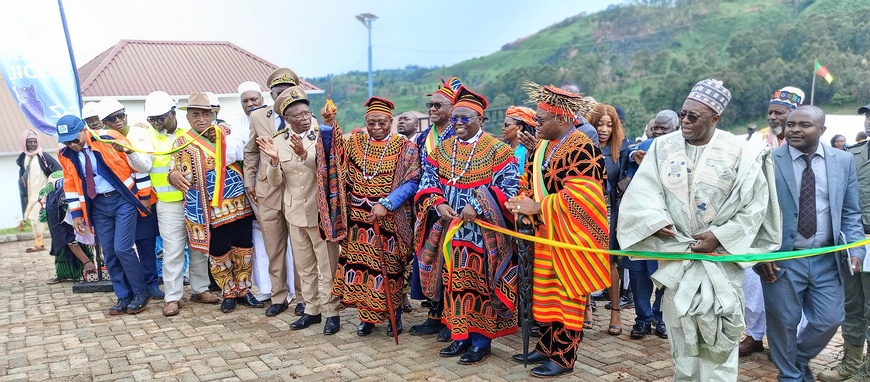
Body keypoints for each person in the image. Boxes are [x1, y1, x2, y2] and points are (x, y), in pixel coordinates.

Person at [617, 78, 782, 381]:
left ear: (715, 118)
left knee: (719, 336)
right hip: (679, 258)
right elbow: (644, 191)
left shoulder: (740, 152)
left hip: (720, 260)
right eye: (683, 114)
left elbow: (755, 207)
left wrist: (719, 236)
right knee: (681, 336)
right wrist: (657, 220)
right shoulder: (663, 147)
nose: (685, 122)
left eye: (694, 117)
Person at [505, 82, 608, 378]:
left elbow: (585, 196)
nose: (535, 124)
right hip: (545, 235)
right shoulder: (543, 147)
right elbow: (528, 179)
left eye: (540, 120)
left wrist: (538, 207)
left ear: (561, 119)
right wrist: (522, 202)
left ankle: (564, 356)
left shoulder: (582, 146)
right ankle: (546, 346)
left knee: (566, 298)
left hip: (569, 237)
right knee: (545, 295)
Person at [757, 105, 865, 382]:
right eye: (791, 124)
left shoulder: (843, 161)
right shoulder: (768, 160)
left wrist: (856, 249)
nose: (794, 129)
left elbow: (850, 212)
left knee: (829, 319)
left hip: (828, 258)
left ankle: (798, 360)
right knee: (783, 323)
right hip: (781, 259)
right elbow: (754, 213)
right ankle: (790, 376)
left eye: (804, 125)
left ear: (822, 130)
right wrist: (760, 255)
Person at [415, 85, 519, 365]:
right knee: (453, 284)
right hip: (450, 231)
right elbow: (428, 180)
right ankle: (460, 336)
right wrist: (438, 203)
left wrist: (478, 204)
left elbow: (509, 186)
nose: (458, 123)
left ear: (480, 120)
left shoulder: (498, 150)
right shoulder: (443, 149)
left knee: (480, 286)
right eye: (455, 118)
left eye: (465, 118)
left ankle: (481, 342)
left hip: (483, 235)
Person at [319, 96, 420, 336]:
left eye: (382, 123)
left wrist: (387, 202)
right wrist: (329, 125)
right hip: (358, 220)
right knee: (361, 270)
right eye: (371, 123)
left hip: (389, 220)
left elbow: (413, 181)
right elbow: (332, 152)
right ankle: (367, 318)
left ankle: (393, 316)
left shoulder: (406, 147)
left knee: (389, 270)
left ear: (391, 122)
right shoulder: (356, 142)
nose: (376, 127)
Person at [260, 86, 342, 335]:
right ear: (287, 118)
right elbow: (275, 182)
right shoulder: (277, 141)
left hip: (320, 213)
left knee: (328, 266)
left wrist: (304, 154)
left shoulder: (324, 134)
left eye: (306, 113)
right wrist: (274, 161)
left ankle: (332, 312)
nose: (305, 118)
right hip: (294, 212)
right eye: (298, 115)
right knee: (304, 266)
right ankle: (312, 310)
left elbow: (331, 169)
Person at [169, 92, 260, 314]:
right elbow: (173, 171)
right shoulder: (181, 143)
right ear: (187, 117)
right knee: (219, 250)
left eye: (206, 114)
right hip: (210, 208)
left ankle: (244, 289)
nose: (201, 119)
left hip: (239, 202)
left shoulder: (227, 132)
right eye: (196, 115)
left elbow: (244, 154)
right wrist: (171, 175)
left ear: (213, 115)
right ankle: (228, 291)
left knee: (244, 245)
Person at [55, 115, 154, 315]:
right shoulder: (64, 154)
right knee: (108, 252)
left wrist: (145, 197)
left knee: (122, 248)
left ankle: (141, 292)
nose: (72, 144)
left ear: (84, 130)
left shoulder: (109, 138)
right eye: (67, 141)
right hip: (98, 205)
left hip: (123, 199)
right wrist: (76, 214)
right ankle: (123, 295)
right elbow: (70, 184)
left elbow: (137, 167)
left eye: (75, 139)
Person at [142, 91, 220, 316]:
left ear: (174, 114)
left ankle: (200, 289)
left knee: (199, 247)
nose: (156, 122)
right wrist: (171, 174)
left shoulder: (192, 132)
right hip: (169, 203)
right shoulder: (146, 135)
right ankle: (173, 297)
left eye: (161, 118)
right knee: (173, 250)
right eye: (152, 119)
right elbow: (143, 164)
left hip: (196, 200)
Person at [741, 86, 804, 357]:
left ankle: (788, 343)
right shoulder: (757, 142)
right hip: (760, 224)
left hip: (794, 228)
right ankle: (754, 335)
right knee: (754, 283)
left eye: (779, 112)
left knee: (790, 287)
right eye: (770, 112)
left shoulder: (805, 144)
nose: (773, 117)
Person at [243, 68, 300, 317]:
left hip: (297, 190)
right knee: (274, 248)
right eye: (278, 92)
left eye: (288, 92)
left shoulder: (304, 117)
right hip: (267, 190)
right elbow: (251, 152)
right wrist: (249, 181)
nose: (283, 96)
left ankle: (303, 298)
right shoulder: (258, 116)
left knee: (300, 248)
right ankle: (278, 296)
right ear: (271, 95)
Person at [409, 76, 462, 341]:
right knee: (428, 260)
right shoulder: (422, 139)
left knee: (451, 264)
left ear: (453, 109)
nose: (432, 109)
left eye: (438, 105)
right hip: (428, 209)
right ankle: (434, 314)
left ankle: (452, 319)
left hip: (455, 209)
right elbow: (418, 174)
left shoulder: (461, 135)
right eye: (430, 105)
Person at [97, 98, 164, 300]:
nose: (118, 120)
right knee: (122, 248)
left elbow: (144, 167)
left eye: (121, 115)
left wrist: (144, 198)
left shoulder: (138, 133)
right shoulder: (103, 140)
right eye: (112, 118)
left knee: (145, 243)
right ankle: (133, 287)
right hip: (120, 200)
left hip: (144, 198)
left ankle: (151, 284)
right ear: (104, 122)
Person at [624, 110, 680, 340]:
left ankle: (661, 318)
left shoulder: (683, 151)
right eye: (655, 127)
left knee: (667, 274)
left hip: (670, 226)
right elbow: (627, 162)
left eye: (664, 129)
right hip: (642, 225)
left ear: (676, 130)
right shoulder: (644, 147)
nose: (658, 132)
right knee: (639, 275)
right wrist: (633, 156)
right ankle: (642, 320)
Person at [586, 103, 632, 336]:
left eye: (609, 125)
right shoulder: (583, 146)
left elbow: (625, 176)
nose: (604, 129)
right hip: (585, 209)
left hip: (608, 208)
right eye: (600, 124)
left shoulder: (621, 147)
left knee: (609, 260)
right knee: (584, 258)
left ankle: (616, 313)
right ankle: (586, 308)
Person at [838, 102, 870, 382]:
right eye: (868, 116)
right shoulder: (852, 154)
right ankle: (851, 361)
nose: (868, 121)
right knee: (852, 304)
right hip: (852, 241)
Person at [39, 171, 97, 283]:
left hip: (73, 196)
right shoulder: (63, 205)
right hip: (54, 204)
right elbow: (69, 239)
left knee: (84, 234)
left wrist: (103, 258)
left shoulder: (91, 196)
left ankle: (87, 269)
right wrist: (86, 262)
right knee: (63, 239)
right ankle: (65, 273)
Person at [17, 128, 60, 253]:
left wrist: (50, 188)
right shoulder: (24, 157)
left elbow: (58, 172)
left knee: (38, 217)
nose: (32, 144)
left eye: (34, 141)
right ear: (24, 143)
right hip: (30, 194)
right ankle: (38, 242)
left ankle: (39, 243)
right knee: (32, 218)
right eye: (29, 142)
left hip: (42, 194)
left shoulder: (43, 156)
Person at [502, 106, 536, 177]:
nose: (503, 128)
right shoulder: (504, 149)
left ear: (519, 127)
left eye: (506, 125)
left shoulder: (529, 149)